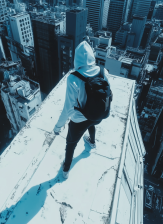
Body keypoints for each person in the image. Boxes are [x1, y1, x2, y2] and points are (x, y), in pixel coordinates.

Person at [53, 41, 110, 179]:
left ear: (76, 58)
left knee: (71, 144)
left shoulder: (73, 78)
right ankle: (92, 141)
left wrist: (58, 127)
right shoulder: (103, 71)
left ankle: (65, 170)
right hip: (99, 115)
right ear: (92, 56)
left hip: (79, 120)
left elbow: (68, 108)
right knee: (91, 123)